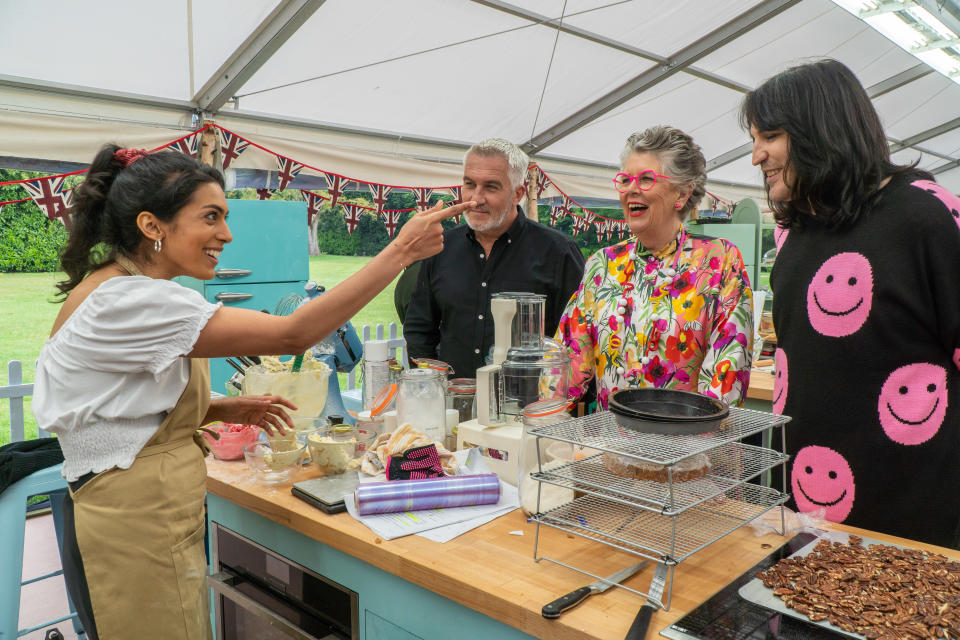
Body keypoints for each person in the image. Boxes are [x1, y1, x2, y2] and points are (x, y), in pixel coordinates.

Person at [31, 145, 474, 639]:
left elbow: (111, 403)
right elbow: (292, 334)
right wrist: (401, 252)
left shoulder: (108, 285)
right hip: (139, 516)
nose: (226, 234)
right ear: (152, 226)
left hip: (127, 506)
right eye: (211, 217)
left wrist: (221, 406)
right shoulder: (134, 299)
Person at [743, 59, 960, 549]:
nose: (756, 156)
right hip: (807, 513)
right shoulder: (794, 231)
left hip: (915, 526)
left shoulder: (927, 215)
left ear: (821, 129)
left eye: (770, 135)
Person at [557, 125, 754, 409]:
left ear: (683, 194)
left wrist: (695, 444)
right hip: (611, 445)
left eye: (646, 179)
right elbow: (568, 361)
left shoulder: (718, 261)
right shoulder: (603, 264)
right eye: (625, 180)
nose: (631, 190)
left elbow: (728, 375)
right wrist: (540, 419)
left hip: (689, 446)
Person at [403, 138, 585, 378]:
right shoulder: (440, 247)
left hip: (529, 408)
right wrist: (432, 386)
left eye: (491, 187)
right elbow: (419, 329)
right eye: (469, 184)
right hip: (454, 405)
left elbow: (578, 342)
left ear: (518, 193)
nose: (476, 198)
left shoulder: (558, 252)